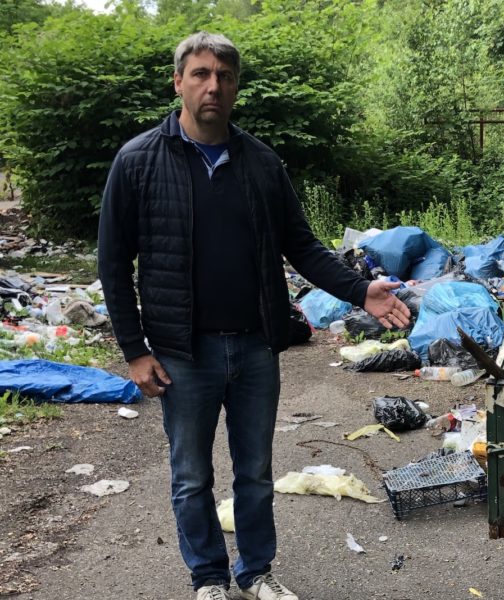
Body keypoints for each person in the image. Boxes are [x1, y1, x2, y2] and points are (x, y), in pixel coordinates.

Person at [97, 31, 410, 600]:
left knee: (255, 475)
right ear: (179, 82)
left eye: (224, 75)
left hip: (253, 348)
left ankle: (256, 572)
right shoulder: (138, 161)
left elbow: (304, 246)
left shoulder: (261, 163)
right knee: (192, 477)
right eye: (200, 74)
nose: (212, 85)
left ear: (237, 87)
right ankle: (209, 578)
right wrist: (135, 351)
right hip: (181, 353)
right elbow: (113, 264)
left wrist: (361, 291)